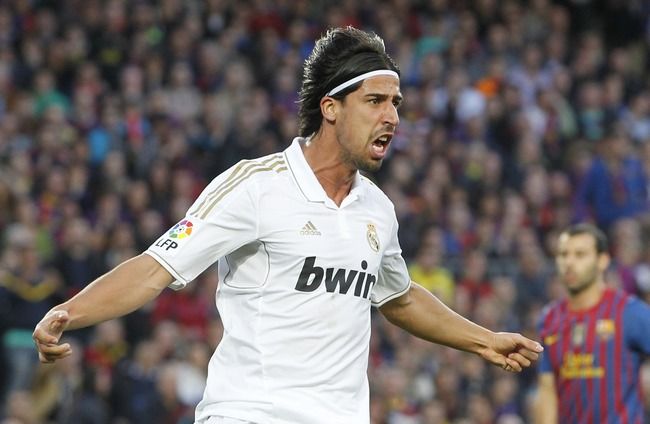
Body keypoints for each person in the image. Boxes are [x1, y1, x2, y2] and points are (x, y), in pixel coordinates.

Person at [33, 27, 542, 424]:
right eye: (375, 101)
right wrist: (67, 312)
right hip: (251, 413)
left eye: (396, 103)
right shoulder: (256, 187)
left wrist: (483, 340)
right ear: (330, 108)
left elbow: (399, 298)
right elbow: (153, 269)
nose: (392, 116)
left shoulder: (377, 210)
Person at [534, 223, 650, 423]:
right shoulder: (550, 318)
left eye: (580, 255)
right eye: (563, 254)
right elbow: (547, 389)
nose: (569, 262)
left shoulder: (630, 312)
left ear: (602, 260)